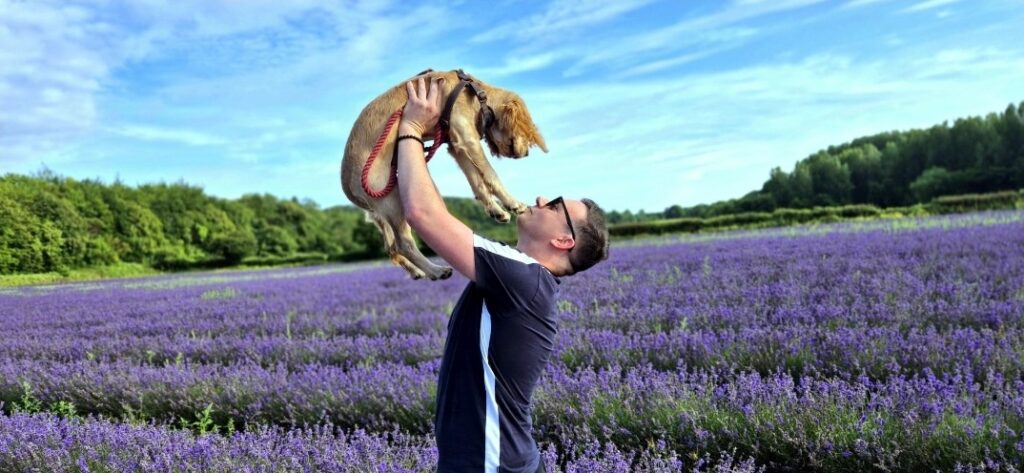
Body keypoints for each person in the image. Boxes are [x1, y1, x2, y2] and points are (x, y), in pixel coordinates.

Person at [395, 76, 610, 472]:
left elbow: (424, 214)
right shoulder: (525, 280)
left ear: (564, 241)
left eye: (556, 204)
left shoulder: (523, 279)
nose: (543, 198)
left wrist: (410, 129)